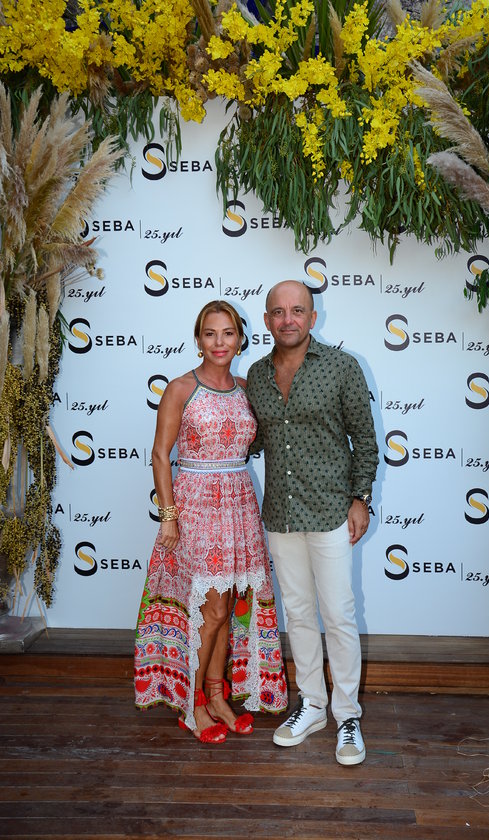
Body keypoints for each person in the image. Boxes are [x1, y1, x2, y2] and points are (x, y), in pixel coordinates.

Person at [134, 300, 288, 743]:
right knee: (213, 609)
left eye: (228, 333)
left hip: (239, 503)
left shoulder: (246, 388)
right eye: (210, 333)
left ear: (240, 339)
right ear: (198, 339)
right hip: (196, 506)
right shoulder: (181, 388)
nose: (219, 342)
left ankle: (219, 696)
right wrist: (168, 517)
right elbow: (160, 455)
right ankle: (194, 703)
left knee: (231, 606)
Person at [246, 280, 378, 766]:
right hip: (280, 514)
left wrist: (361, 499)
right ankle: (313, 706)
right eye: (279, 312)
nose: (288, 319)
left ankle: (347, 715)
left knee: (338, 614)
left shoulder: (342, 367)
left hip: (329, 511)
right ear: (267, 321)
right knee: (299, 613)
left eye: (297, 310)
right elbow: (254, 439)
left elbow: (365, 440)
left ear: (312, 317)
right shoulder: (256, 375)